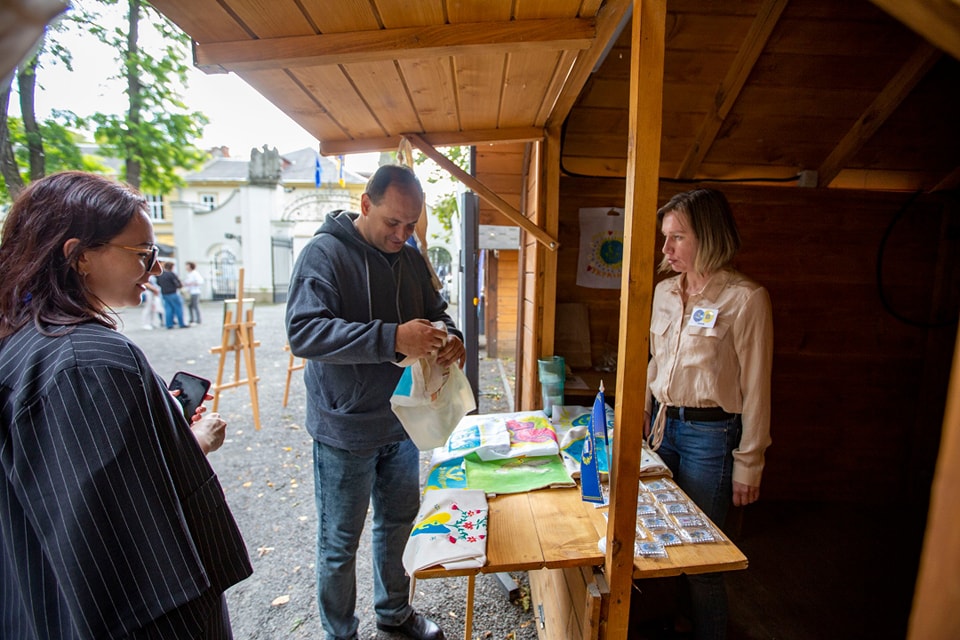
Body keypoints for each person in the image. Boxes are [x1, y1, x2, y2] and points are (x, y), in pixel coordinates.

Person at [0, 171, 252, 639]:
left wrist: (167, 427)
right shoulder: (88, 362)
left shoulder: (25, 339)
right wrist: (189, 446)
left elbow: (70, 484)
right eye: (142, 253)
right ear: (78, 257)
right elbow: (126, 544)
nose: (155, 268)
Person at [286, 164, 464, 640]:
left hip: (403, 422)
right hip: (345, 429)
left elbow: (437, 312)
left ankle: (395, 616)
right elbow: (304, 332)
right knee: (340, 542)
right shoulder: (323, 253)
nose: (402, 235)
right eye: (393, 223)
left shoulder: (410, 256)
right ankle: (339, 634)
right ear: (366, 205)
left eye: (411, 225)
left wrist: (451, 336)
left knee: (399, 524)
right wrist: (393, 338)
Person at [643, 188, 773, 640]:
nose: (665, 249)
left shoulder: (746, 299)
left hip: (711, 436)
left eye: (677, 237)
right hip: (662, 429)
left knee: (701, 559)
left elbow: (757, 385)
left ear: (710, 237)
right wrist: (641, 423)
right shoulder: (662, 292)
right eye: (665, 237)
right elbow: (654, 363)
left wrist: (749, 462)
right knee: (657, 541)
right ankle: (674, 624)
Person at [157, 259, 187, 328]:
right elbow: (177, 283)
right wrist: (180, 285)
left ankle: (169, 324)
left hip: (164, 293)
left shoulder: (161, 274)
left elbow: (158, 283)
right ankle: (181, 323)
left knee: (168, 309)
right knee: (178, 308)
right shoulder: (171, 274)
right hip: (173, 292)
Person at [184, 260, 205, 325]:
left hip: (195, 292)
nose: (186, 267)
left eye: (187, 266)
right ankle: (192, 319)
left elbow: (200, 281)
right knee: (190, 306)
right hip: (189, 292)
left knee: (195, 305)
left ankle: (198, 319)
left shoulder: (195, 273)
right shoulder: (189, 274)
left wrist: (192, 283)